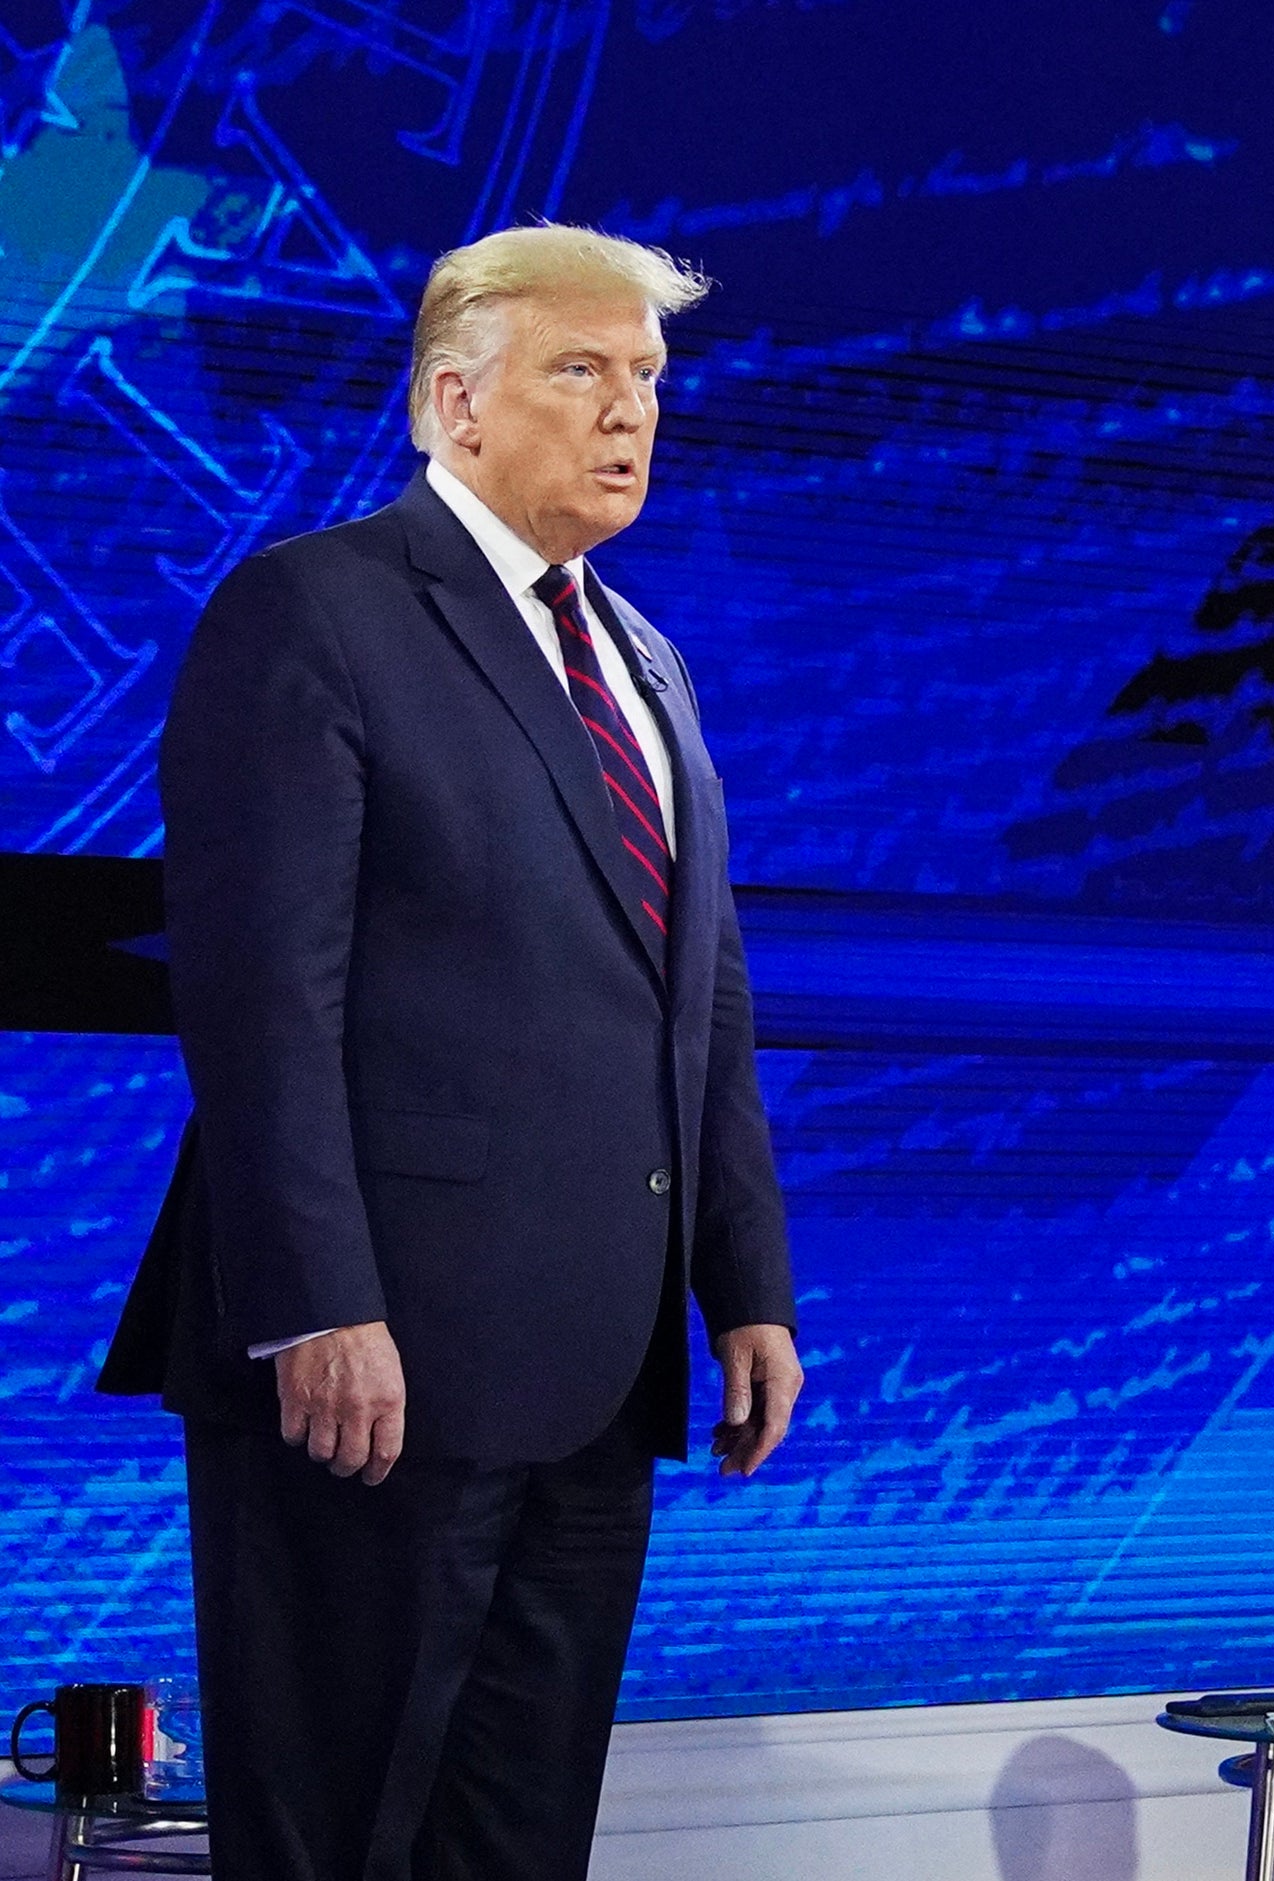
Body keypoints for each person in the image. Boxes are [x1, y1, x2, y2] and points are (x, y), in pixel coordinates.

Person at [99, 224, 806, 1880]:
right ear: (451, 401)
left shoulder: (648, 664)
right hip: (375, 1363)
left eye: (645, 376)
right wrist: (317, 1301)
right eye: (582, 371)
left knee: (515, 1836)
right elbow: (264, 1000)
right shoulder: (315, 612)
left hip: (597, 1366)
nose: (629, 410)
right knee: (340, 1831)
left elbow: (698, 999)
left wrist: (746, 1283)